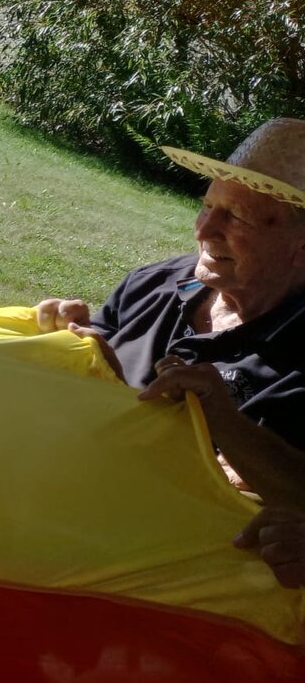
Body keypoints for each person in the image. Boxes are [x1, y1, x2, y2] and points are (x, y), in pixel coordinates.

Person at [35, 118, 305, 581]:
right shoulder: (154, 284)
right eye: (207, 206)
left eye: (236, 217)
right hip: (59, 517)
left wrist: (222, 420)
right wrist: (68, 338)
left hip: (169, 574)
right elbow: (75, 386)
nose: (205, 230)